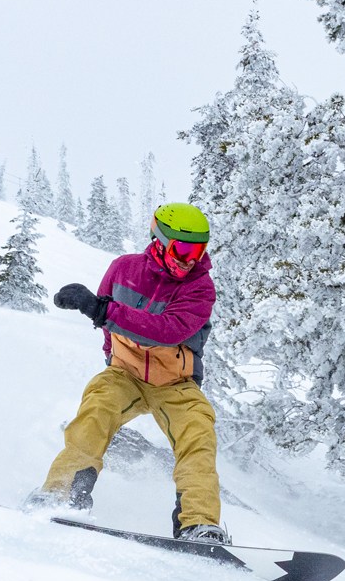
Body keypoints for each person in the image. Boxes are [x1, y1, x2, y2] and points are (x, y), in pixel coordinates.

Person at [27, 202, 228, 544]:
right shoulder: (123, 269)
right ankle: (62, 495)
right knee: (96, 411)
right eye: (183, 248)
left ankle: (197, 524)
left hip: (175, 383)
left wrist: (101, 309)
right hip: (125, 373)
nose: (190, 259)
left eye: (198, 250)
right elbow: (106, 322)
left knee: (198, 433)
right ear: (161, 240)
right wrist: (112, 350)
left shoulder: (199, 288)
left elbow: (167, 330)